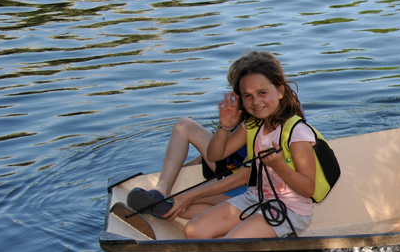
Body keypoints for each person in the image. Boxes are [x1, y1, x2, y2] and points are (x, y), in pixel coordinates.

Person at [163, 50, 318, 239]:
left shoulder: (296, 131)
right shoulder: (253, 125)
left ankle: (264, 238)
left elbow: (308, 189)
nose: (256, 102)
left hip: (290, 209)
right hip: (256, 198)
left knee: (232, 243)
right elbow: (214, 156)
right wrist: (225, 127)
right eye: (248, 96)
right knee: (193, 231)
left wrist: (278, 165)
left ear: (280, 91)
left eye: (262, 93)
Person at [126, 117, 246, 219]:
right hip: (229, 166)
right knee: (184, 125)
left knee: (187, 203)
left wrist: (192, 195)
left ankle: (166, 207)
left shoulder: (256, 127)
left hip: (245, 182)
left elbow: (241, 178)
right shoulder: (246, 122)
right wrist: (188, 165)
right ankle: (161, 192)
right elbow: (225, 146)